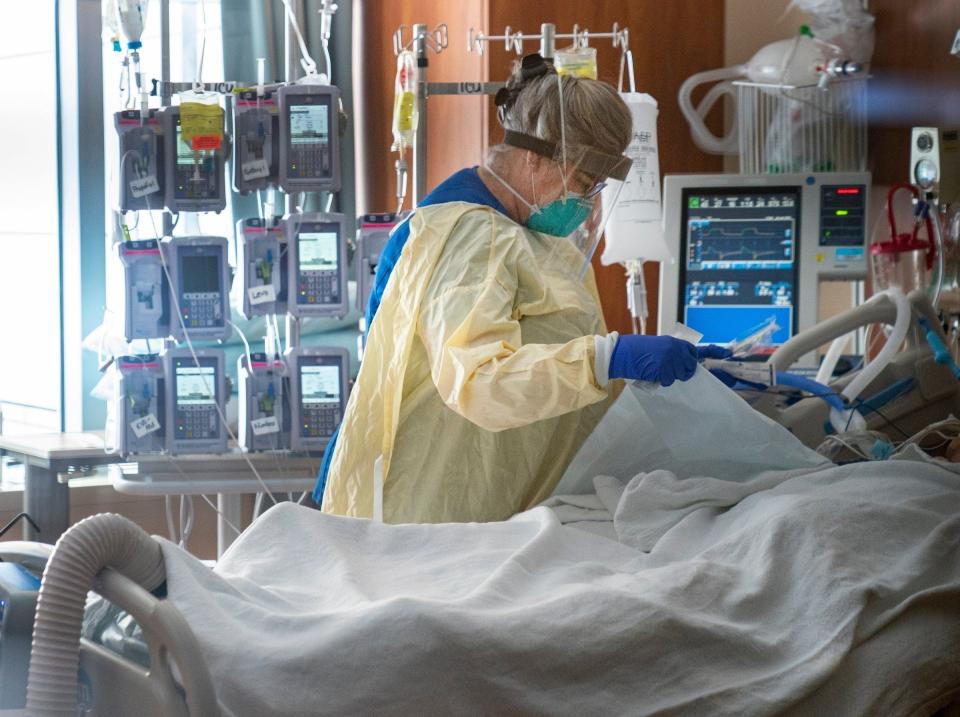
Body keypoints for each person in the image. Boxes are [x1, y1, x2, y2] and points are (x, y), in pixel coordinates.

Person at [316, 54, 727, 523]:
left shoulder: (528, 234)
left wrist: (677, 390)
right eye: (583, 182)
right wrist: (607, 358)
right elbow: (478, 381)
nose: (587, 205)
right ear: (535, 158)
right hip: (427, 514)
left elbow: (555, 365)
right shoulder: (471, 234)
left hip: (493, 509)